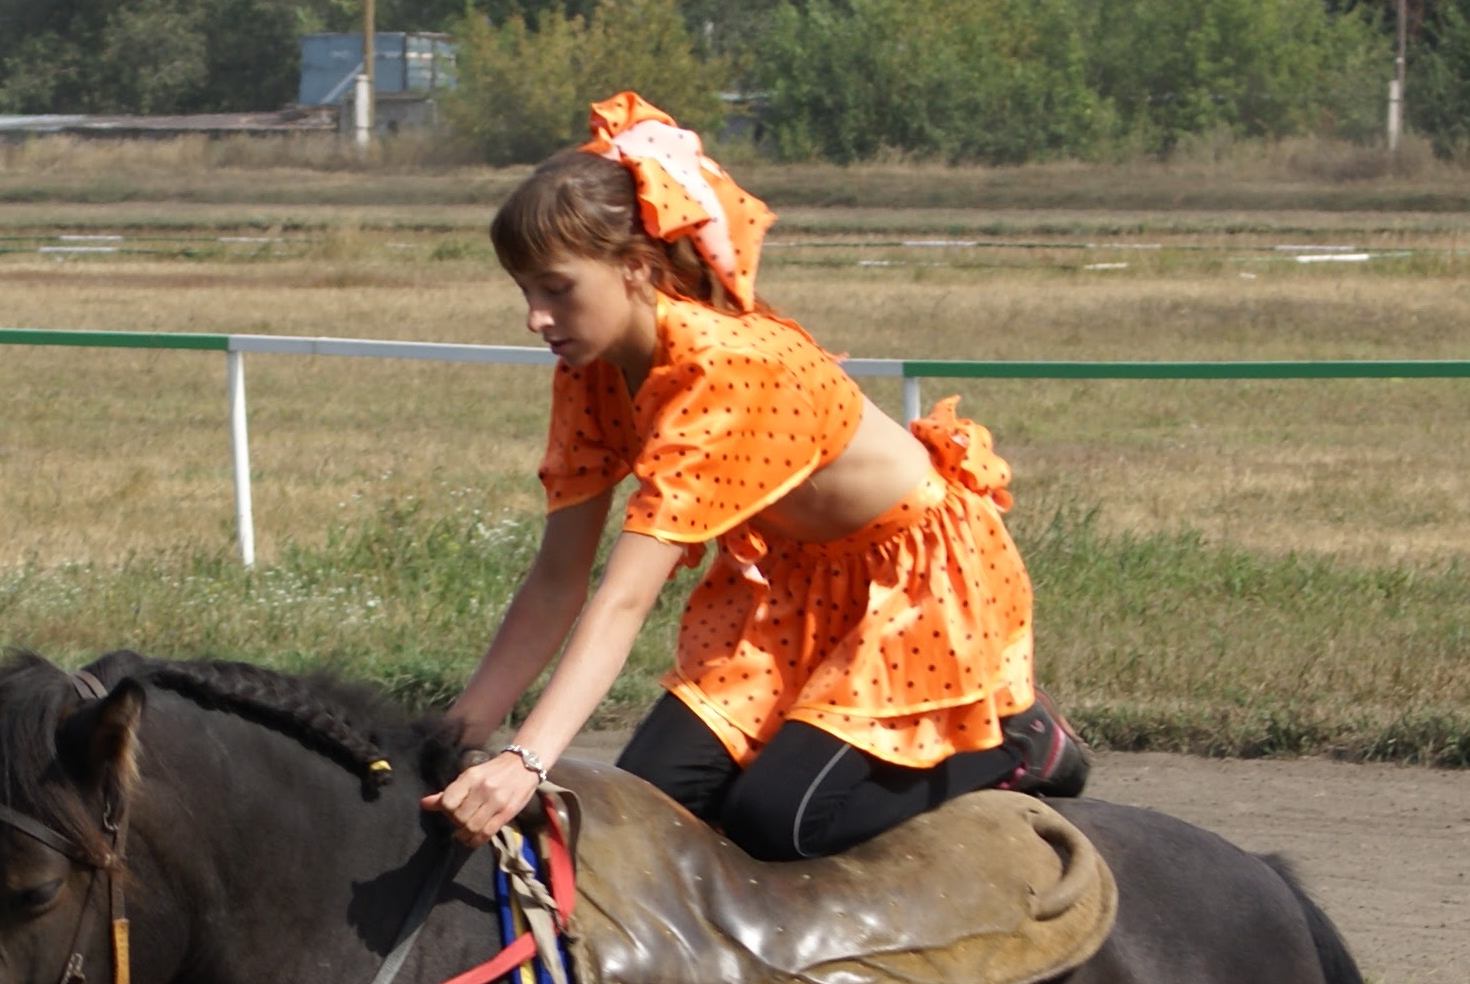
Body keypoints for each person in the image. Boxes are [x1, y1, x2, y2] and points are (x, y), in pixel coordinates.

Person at [429, 93, 1082, 864]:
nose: (535, 317)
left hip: (915, 594)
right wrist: (452, 738)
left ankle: (1022, 738)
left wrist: (525, 761)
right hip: (791, 595)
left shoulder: (724, 370)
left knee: (779, 822)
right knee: (643, 812)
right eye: (524, 291)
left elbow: (624, 598)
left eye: (556, 288)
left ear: (635, 267)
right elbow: (557, 579)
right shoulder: (589, 371)